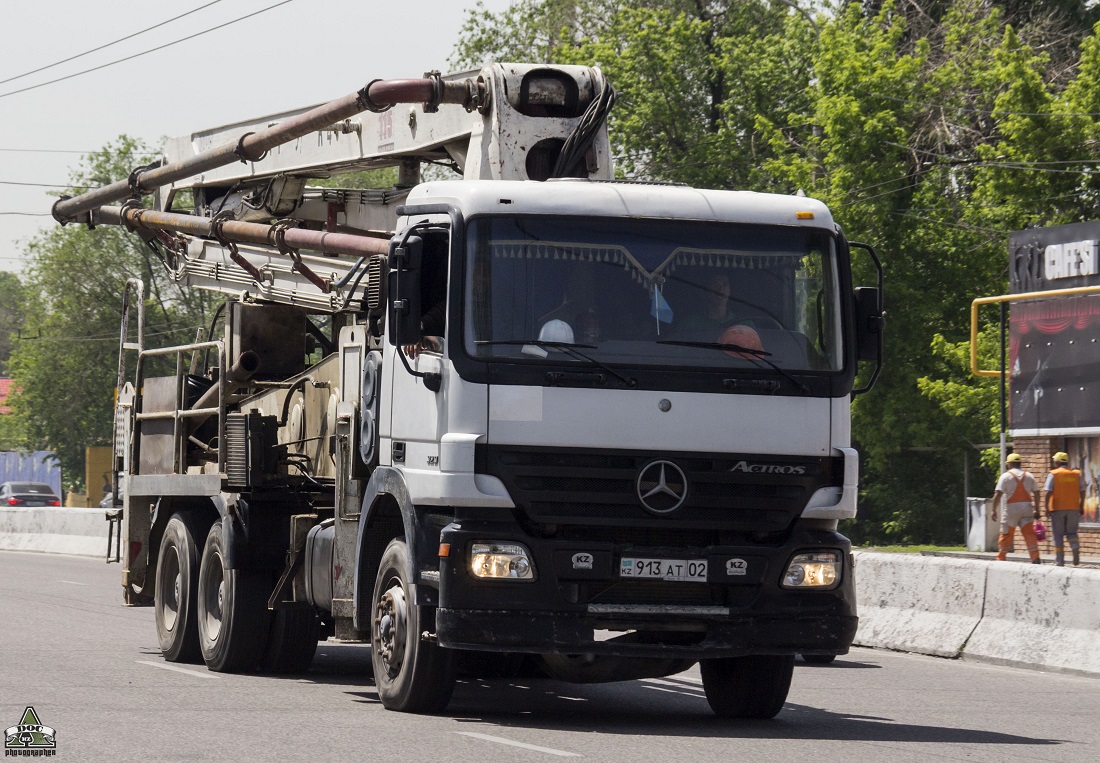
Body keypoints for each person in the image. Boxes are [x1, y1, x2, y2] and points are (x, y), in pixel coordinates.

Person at [990, 453, 1041, 564]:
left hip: (1011, 509)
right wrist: (1037, 508)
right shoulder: (1029, 476)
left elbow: (998, 494)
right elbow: (1037, 493)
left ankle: (1001, 557)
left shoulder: (1005, 476)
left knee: (1006, 533)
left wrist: (994, 509)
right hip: (1026, 507)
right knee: (1029, 534)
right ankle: (1035, 557)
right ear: (1019, 464)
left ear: (1010, 464)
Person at [1044, 451, 1086, 566]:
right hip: (1073, 508)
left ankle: (1060, 562)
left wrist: (1046, 507)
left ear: (1057, 462)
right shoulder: (1076, 474)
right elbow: (1082, 491)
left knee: (1058, 535)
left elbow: (1048, 491)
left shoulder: (1054, 474)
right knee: (1072, 532)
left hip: (1057, 509)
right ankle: (1075, 546)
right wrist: (1081, 505)